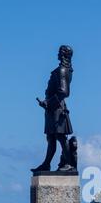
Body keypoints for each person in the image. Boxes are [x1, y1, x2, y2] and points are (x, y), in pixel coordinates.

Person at [31, 45, 75, 173]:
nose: (57, 53)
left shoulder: (62, 70)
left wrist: (48, 102)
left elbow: (64, 92)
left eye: (60, 52)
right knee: (51, 138)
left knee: (60, 137)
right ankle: (46, 164)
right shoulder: (62, 69)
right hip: (52, 109)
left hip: (57, 109)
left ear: (63, 55)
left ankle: (68, 164)